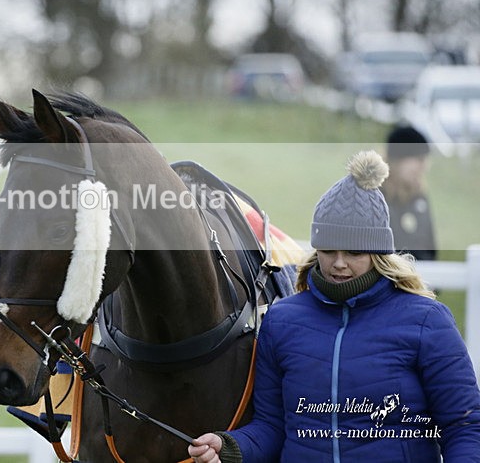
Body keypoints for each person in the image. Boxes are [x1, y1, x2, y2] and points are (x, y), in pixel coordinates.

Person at [188, 150, 480, 462]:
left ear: (378, 252)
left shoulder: (427, 321)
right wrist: (230, 447)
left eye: (353, 252)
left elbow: (465, 425)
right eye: (328, 250)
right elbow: (271, 428)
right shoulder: (282, 321)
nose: (338, 264)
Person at [382, 125, 436, 261]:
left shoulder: (420, 199)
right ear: (396, 160)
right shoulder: (374, 198)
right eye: (418, 159)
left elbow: (430, 251)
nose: (423, 167)